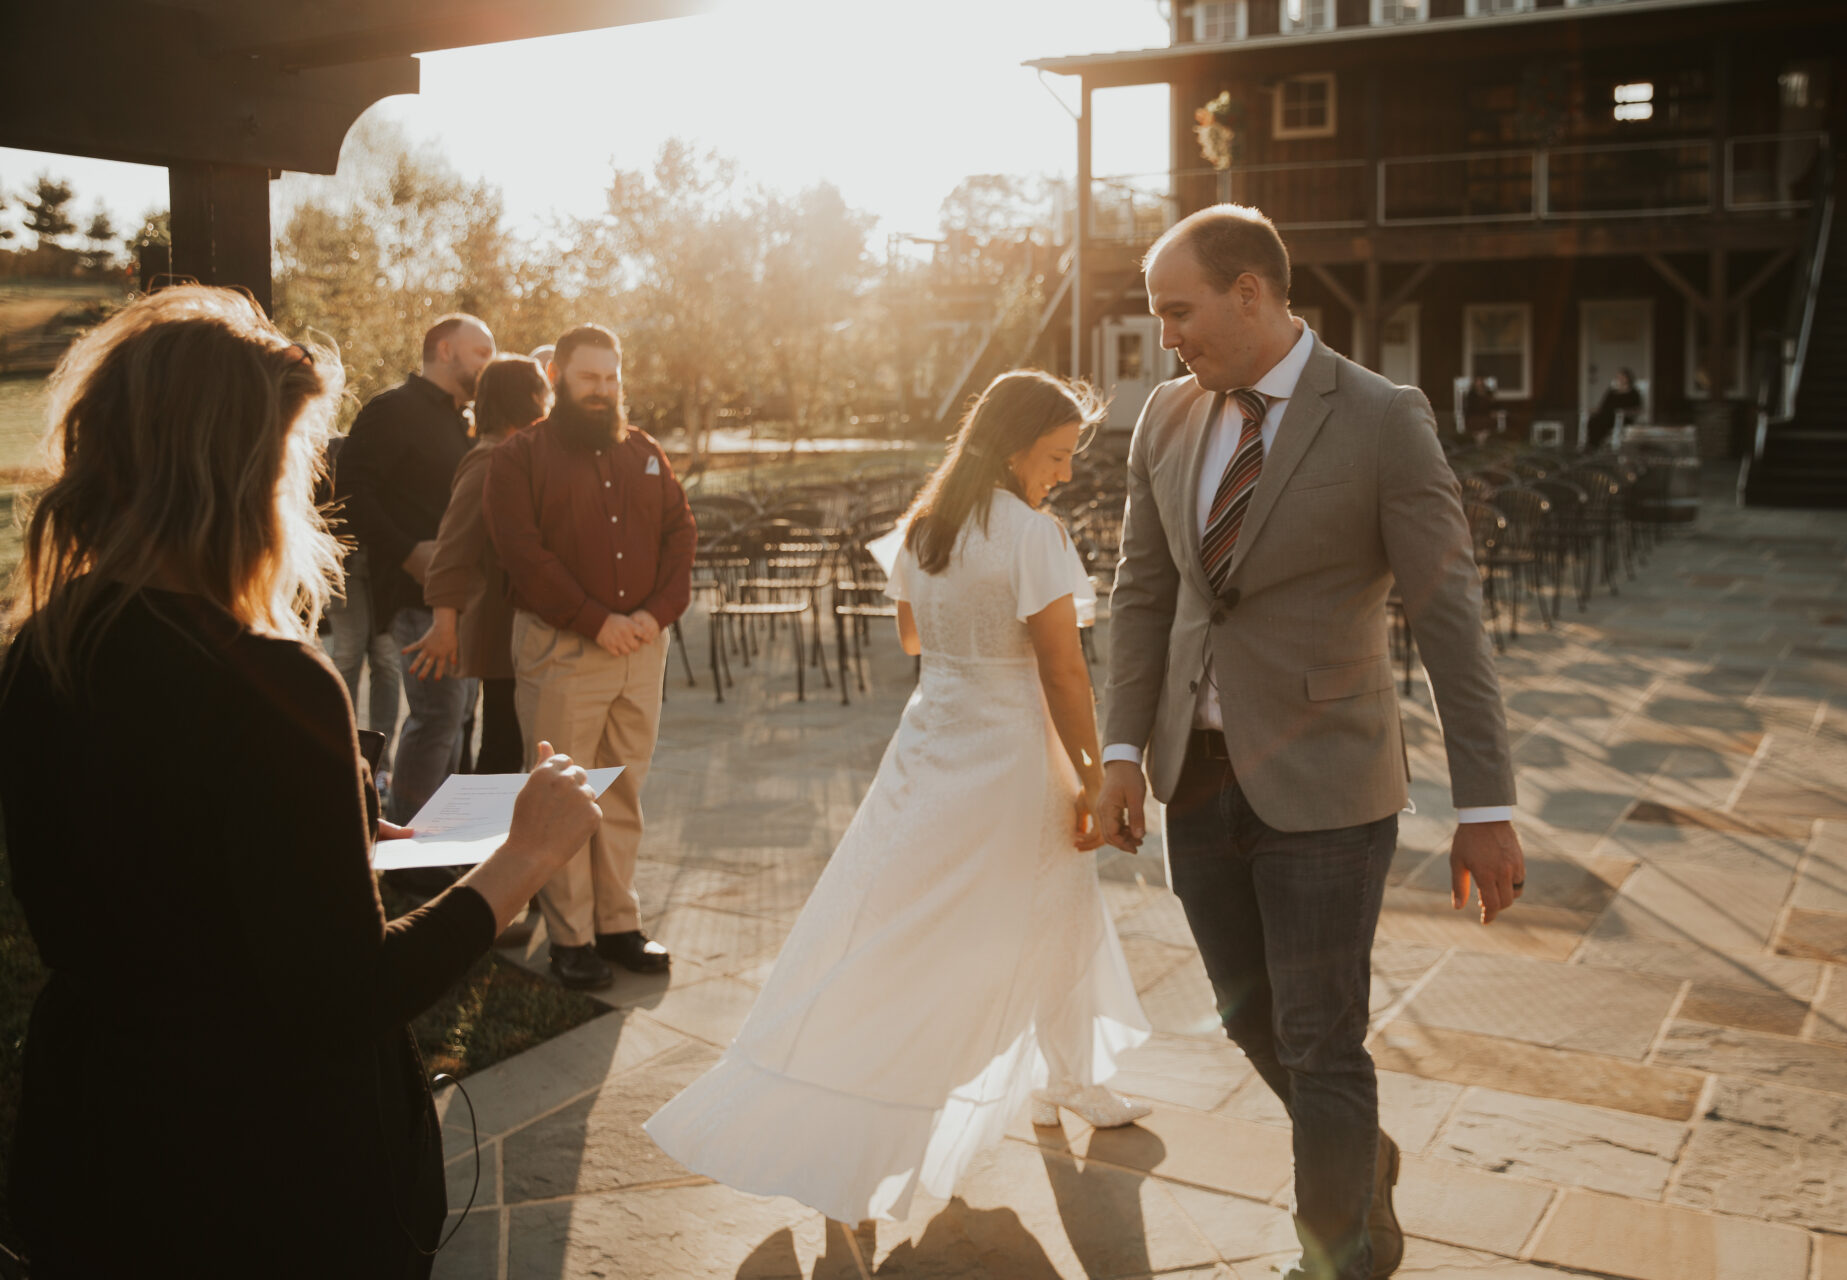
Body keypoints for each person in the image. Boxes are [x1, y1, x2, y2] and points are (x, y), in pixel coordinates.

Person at [0, 285, 603, 1278]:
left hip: (94, 1140)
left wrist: (334, 834)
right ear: (240, 476)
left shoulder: (44, 652)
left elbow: (156, 868)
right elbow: (344, 996)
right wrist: (524, 856)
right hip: (260, 1178)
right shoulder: (271, 683)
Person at [1095, 207, 1523, 1280]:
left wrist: (1487, 805)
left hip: (1329, 787)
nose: (1167, 337)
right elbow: (1143, 594)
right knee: (1254, 1025)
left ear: (1252, 292)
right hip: (1191, 778)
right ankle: (1357, 1149)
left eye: (1178, 311)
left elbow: (1448, 616)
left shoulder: (1382, 418)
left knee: (1321, 1039)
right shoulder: (1164, 418)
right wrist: (1114, 751)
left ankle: (1334, 1258)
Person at [646, 371, 1152, 1245]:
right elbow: (1064, 669)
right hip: (1008, 750)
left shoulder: (926, 528)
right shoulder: (1033, 534)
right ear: (1015, 445)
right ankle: (1045, 1079)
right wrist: (1092, 774)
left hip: (930, 740)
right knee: (1040, 906)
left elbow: (913, 639)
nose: (1065, 474)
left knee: (907, 912)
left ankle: (1065, 1074)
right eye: (1059, 455)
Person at [484, 324, 693, 990]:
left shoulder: (645, 452)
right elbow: (524, 555)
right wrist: (596, 621)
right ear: (557, 380)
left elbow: (680, 535)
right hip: (565, 651)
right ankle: (571, 937)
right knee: (561, 795)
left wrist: (653, 617)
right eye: (588, 378)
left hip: (640, 650)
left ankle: (618, 925)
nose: (602, 391)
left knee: (624, 790)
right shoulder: (518, 459)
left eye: (611, 378)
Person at [338, 312, 495, 825]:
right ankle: (411, 851)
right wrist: (408, 551)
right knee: (436, 720)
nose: (489, 364)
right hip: (414, 597)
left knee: (455, 722)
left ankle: (440, 841)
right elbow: (351, 495)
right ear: (445, 350)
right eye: (481, 352)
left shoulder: (463, 420)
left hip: (465, 599)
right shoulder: (391, 410)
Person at [404, 354, 553, 775]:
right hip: (501, 629)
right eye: (544, 390)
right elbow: (452, 549)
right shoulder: (489, 459)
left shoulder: (518, 454)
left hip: (518, 627)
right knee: (503, 749)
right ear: (528, 398)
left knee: (509, 745)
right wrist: (444, 625)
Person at [318, 433, 402, 793]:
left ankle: (381, 759)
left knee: (386, 660)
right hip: (345, 570)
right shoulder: (330, 452)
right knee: (348, 655)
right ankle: (347, 751)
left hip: (382, 572)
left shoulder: (382, 458)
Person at [1586, 366, 1643, 447]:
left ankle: (1595, 445)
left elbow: (1637, 409)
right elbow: (1602, 406)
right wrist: (1594, 410)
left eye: (1622, 377)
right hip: (1606, 415)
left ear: (1628, 378)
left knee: (1601, 422)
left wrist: (1624, 411)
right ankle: (1593, 445)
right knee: (1593, 421)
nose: (1619, 379)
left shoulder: (1633, 393)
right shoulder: (1611, 392)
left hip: (1622, 417)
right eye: (1618, 377)